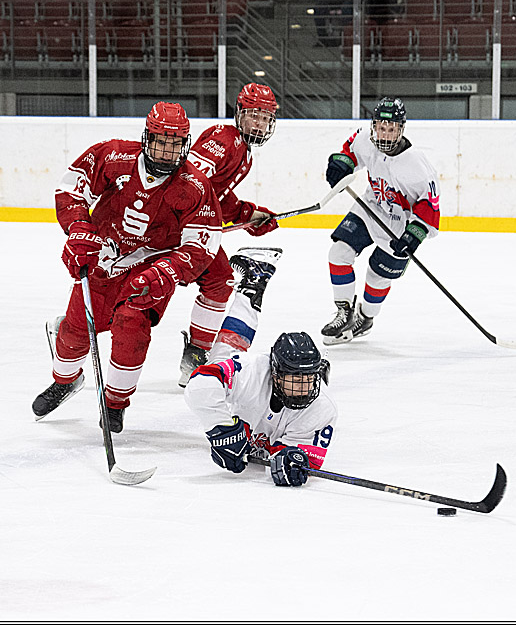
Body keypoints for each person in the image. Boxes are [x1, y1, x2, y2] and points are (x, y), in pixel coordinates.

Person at [32, 102, 223, 433]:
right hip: (103, 258)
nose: (167, 151)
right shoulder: (113, 156)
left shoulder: (194, 186)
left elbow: (202, 244)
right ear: (147, 137)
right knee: (76, 330)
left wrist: (168, 271)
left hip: (150, 269)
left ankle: (115, 403)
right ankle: (66, 380)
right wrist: (79, 230)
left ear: (186, 143)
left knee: (130, 326)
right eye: (161, 141)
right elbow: (71, 189)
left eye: (175, 143)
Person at [184, 248, 337, 487]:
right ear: (274, 373)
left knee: (226, 352)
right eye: (294, 378)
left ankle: (256, 279)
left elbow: (301, 458)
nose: (303, 387)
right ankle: (254, 283)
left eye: (309, 378)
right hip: (244, 380)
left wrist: (292, 461)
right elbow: (199, 385)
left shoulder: (322, 410)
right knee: (223, 358)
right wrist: (220, 428)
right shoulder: (252, 372)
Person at [176, 83, 281, 388]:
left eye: (265, 118)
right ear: (239, 114)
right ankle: (73, 331)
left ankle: (195, 355)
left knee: (220, 282)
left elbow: (216, 196)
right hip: (173, 228)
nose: (259, 123)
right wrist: (187, 223)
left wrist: (249, 214)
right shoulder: (225, 140)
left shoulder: (244, 154)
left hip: (190, 229)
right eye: (253, 116)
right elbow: (188, 182)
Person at [320, 97, 440, 344]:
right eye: (381, 128)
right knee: (338, 253)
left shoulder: (417, 165)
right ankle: (344, 312)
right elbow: (348, 152)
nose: (385, 134)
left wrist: (414, 234)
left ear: (401, 129)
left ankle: (365, 318)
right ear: (374, 125)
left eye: (391, 129)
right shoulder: (365, 138)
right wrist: (341, 165)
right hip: (370, 207)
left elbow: (430, 204)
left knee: (377, 275)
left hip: (400, 225)